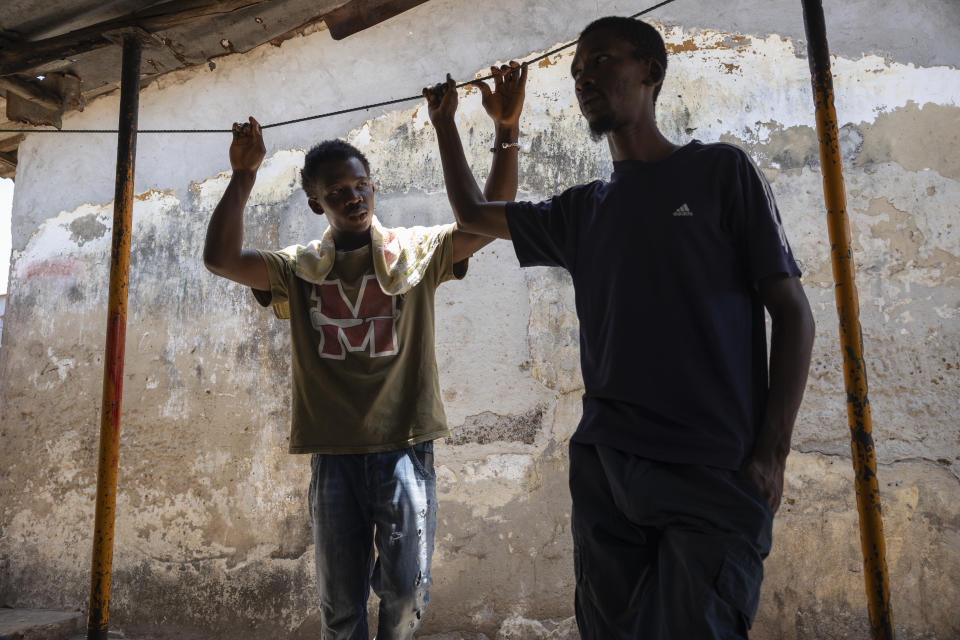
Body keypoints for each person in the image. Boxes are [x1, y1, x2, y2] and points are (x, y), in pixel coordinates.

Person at [423, 16, 815, 640]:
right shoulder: (583, 210)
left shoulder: (721, 173)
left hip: (710, 469)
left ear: (651, 71)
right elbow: (473, 214)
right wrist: (465, 126)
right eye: (578, 70)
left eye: (601, 60)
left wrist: (772, 453)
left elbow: (794, 314)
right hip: (608, 472)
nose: (584, 78)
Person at [202, 63, 525, 639]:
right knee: (340, 606)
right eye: (336, 192)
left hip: (404, 446)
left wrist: (502, 133)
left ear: (373, 187)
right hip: (335, 454)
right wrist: (243, 177)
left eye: (360, 186)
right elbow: (222, 259)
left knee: (406, 592)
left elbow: (490, 220)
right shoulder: (296, 269)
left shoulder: (415, 253)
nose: (352, 197)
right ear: (314, 202)